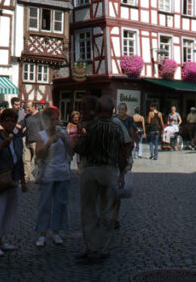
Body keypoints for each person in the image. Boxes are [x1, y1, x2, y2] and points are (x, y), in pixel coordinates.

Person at [75, 95, 132, 264]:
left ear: (99, 110)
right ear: (112, 111)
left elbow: (81, 149)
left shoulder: (92, 127)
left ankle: (91, 248)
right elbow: (126, 148)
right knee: (109, 210)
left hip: (91, 170)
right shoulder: (117, 127)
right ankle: (104, 249)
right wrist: (122, 172)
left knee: (89, 211)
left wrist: (75, 143)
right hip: (110, 171)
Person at [0, 108, 26, 256]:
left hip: (12, 178)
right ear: (1, 122)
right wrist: (2, 146)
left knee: (8, 211)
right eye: (7, 121)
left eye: (13, 121)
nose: (10, 124)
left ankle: (1, 240)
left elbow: (19, 160)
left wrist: (22, 180)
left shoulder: (17, 139)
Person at [35, 106, 72, 247]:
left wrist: (66, 139)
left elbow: (71, 151)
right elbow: (39, 154)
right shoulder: (41, 135)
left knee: (60, 203)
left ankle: (56, 232)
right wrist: (51, 141)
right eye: (52, 119)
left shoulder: (63, 133)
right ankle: (42, 234)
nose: (55, 122)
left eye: (57, 119)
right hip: (48, 174)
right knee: (44, 204)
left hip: (62, 173)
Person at [22, 101, 43, 183]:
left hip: (37, 142)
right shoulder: (27, 117)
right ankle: (26, 178)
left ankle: (38, 177)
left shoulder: (41, 116)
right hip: (27, 140)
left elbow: (44, 128)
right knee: (25, 160)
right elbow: (21, 126)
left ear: (34, 106)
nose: (26, 109)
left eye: (28, 107)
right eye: (26, 107)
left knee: (37, 161)